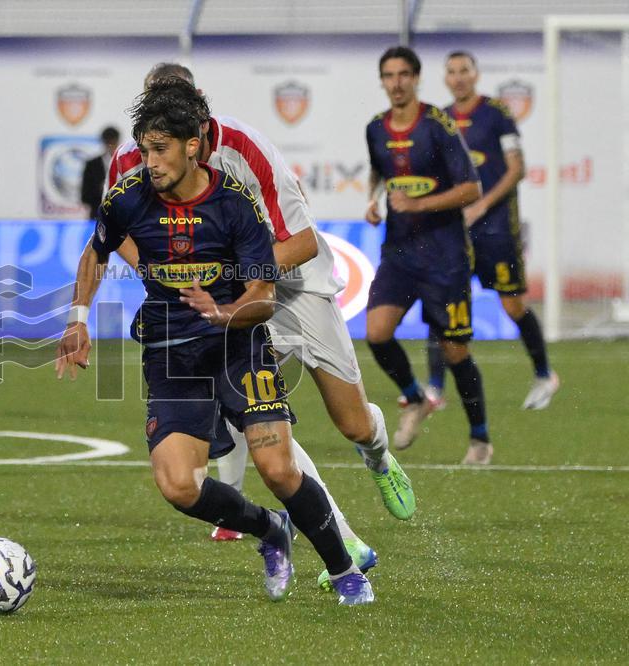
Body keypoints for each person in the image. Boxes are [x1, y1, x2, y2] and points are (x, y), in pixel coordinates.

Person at [56, 77, 374, 605]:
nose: (149, 162)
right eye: (144, 150)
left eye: (160, 150)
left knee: (277, 466)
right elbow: (97, 251)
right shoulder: (129, 199)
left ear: (192, 144)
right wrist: (76, 318)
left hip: (238, 348)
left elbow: (265, 297)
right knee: (179, 485)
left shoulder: (234, 205)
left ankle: (346, 573)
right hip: (170, 354)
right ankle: (271, 530)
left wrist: (225, 312)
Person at [364, 46, 493, 464]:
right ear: (382, 81)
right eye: (389, 75)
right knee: (377, 332)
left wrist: (417, 205)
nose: (396, 83)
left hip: (445, 256)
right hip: (400, 254)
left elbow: (471, 188)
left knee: (456, 352)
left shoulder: (438, 124)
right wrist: (373, 198)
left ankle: (480, 438)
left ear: (416, 78)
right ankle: (415, 398)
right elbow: (380, 169)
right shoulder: (374, 128)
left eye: (404, 74)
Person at [418, 51, 558, 411]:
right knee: (442, 302)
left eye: (465, 70)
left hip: (496, 230)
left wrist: (480, 205)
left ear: (475, 74)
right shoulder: (442, 119)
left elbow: (517, 169)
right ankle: (434, 388)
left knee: (513, 306)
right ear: (446, 78)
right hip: (456, 232)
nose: (459, 77)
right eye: (452, 71)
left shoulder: (497, 113)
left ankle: (545, 374)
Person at [80, 126, 121, 220]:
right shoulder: (92, 165)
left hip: (122, 217)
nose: (111, 146)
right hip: (97, 216)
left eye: (113, 142)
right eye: (108, 143)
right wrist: (102, 189)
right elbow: (84, 196)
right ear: (104, 143)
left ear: (118, 141)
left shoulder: (126, 163)